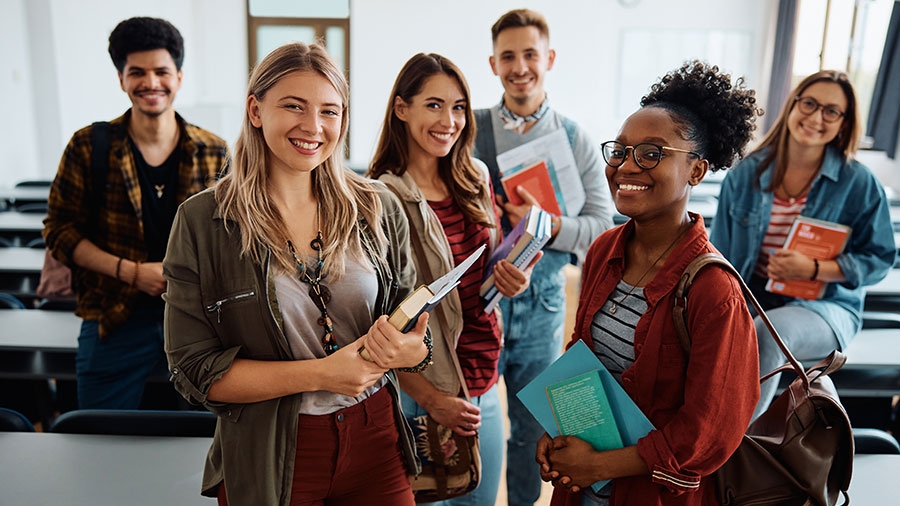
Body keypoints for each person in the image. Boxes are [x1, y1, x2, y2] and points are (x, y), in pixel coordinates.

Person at [163, 42, 432, 506]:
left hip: (375, 441)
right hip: (269, 450)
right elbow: (194, 370)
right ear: (255, 109)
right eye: (294, 106)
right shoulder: (203, 221)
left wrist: (411, 350)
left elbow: (414, 331)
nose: (313, 127)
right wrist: (322, 374)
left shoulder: (376, 206)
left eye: (330, 111)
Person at [537, 61, 762, 506]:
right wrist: (558, 428)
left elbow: (709, 431)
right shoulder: (603, 250)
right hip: (584, 488)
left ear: (696, 171)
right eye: (620, 151)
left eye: (652, 153)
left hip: (652, 495)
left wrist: (598, 465)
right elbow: (583, 358)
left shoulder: (713, 290)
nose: (627, 166)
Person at [368, 53, 539, 506]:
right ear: (402, 109)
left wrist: (513, 279)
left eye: (459, 107)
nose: (449, 120)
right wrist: (430, 398)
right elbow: (379, 321)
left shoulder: (474, 176)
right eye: (434, 105)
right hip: (423, 390)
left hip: (483, 378)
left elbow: (489, 269)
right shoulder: (382, 198)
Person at [42, 16, 229, 409]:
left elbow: (231, 236)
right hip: (113, 316)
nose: (151, 83)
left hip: (199, 320)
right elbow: (60, 231)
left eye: (161, 71)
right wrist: (131, 272)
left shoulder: (215, 151)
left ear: (178, 76)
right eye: (137, 72)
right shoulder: (88, 146)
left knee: (198, 448)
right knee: (99, 434)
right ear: (121, 79)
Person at [472, 9, 615, 504]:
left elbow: (601, 228)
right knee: (474, 423)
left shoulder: (575, 139)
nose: (519, 66)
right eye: (507, 56)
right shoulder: (470, 130)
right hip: (478, 304)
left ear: (548, 58)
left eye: (529, 54)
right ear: (493, 64)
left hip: (544, 307)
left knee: (533, 433)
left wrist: (546, 223)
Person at [710, 70, 897, 420]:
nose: (815, 117)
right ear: (793, 105)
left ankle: (733, 448)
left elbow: (881, 258)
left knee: (769, 334)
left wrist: (814, 269)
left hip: (826, 307)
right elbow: (720, 255)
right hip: (754, 299)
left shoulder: (859, 182)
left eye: (831, 111)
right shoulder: (745, 175)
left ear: (843, 123)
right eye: (809, 103)